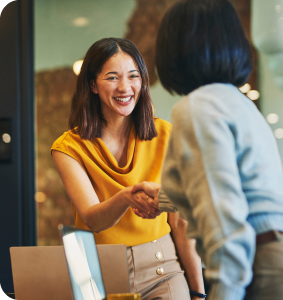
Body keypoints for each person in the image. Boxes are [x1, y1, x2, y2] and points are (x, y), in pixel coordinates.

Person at [132, 1, 283, 300]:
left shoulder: (197, 108)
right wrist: (163, 198)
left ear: (176, 49)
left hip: (260, 264)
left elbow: (224, 218)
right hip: (282, 254)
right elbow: (238, 189)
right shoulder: (238, 103)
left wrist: (223, 292)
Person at [51, 37, 205, 300]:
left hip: (163, 268)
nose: (125, 87)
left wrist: (198, 292)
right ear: (93, 85)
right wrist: (126, 197)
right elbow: (93, 219)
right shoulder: (68, 147)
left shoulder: (166, 134)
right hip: (97, 274)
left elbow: (180, 222)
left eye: (133, 76)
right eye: (112, 77)